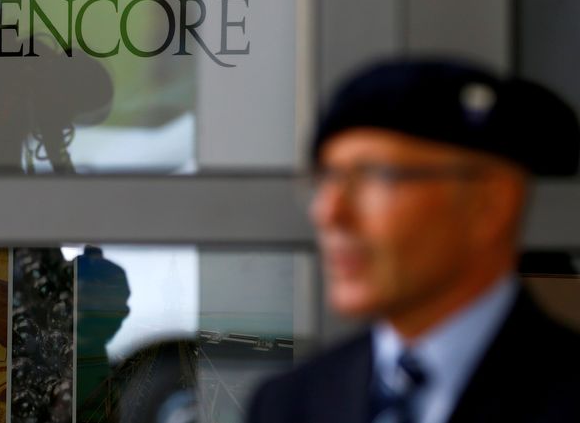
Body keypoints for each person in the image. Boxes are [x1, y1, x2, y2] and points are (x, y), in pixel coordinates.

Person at [248, 58, 580, 423]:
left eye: (375, 177)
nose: (329, 213)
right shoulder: (289, 402)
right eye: (325, 180)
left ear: (490, 204)